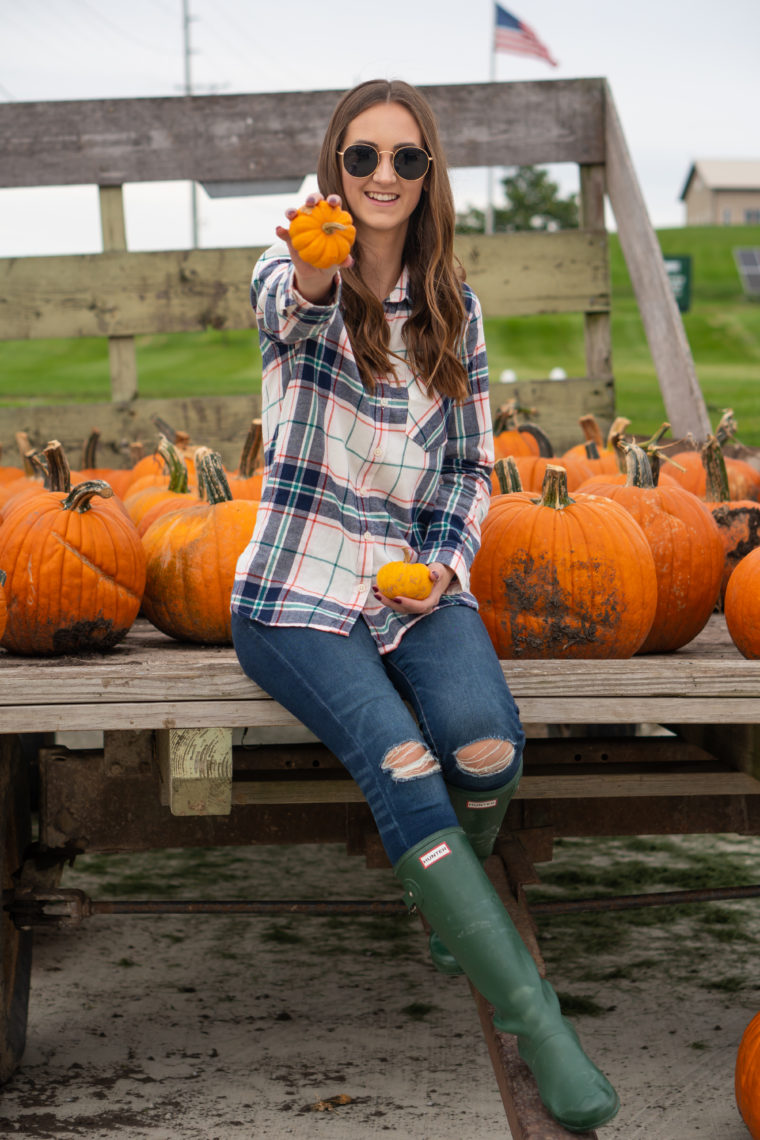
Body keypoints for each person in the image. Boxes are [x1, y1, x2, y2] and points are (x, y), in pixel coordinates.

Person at [231, 78, 619, 1132]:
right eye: (363, 158)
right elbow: (287, 309)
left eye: (406, 159)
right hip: (298, 591)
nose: (384, 177)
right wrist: (317, 272)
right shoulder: (289, 276)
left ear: (429, 174)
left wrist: (444, 568)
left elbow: (465, 470)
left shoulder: (456, 306)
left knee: (486, 748)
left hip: (409, 584)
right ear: (334, 170)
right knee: (403, 762)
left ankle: (454, 901)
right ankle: (538, 1024)